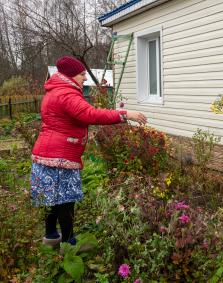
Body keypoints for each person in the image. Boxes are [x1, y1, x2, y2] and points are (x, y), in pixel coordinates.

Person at [31, 56, 147, 246]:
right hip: (60, 156)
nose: (85, 78)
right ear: (70, 76)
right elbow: (90, 114)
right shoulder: (66, 94)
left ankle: (51, 237)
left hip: (46, 153)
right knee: (66, 201)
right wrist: (125, 114)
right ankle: (69, 244)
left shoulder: (54, 91)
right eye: (82, 74)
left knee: (50, 198)